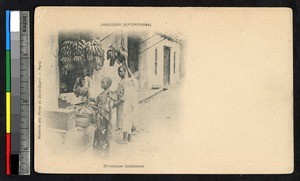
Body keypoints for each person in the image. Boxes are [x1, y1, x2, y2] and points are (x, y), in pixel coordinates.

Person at [91, 77, 114, 157]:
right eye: (101, 82)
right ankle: (104, 153)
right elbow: (110, 108)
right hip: (106, 118)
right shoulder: (111, 95)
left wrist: (92, 106)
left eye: (103, 83)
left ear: (108, 84)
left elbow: (96, 105)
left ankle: (100, 153)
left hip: (101, 118)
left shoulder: (101, 95)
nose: (101, 84)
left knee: (100, 134)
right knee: (104, 134)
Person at [115, 65, 134, 144]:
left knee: (125, 120)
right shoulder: (122, 80)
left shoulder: (126, 81)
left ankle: (125, 139)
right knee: (127, 119)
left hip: (125, 103)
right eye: (118, 71)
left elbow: (125, 94)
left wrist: (117, 102)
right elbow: (118, 90)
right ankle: (129, 138)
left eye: (121, 71)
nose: (119, 73)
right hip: (123, 103)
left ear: (125, 72)